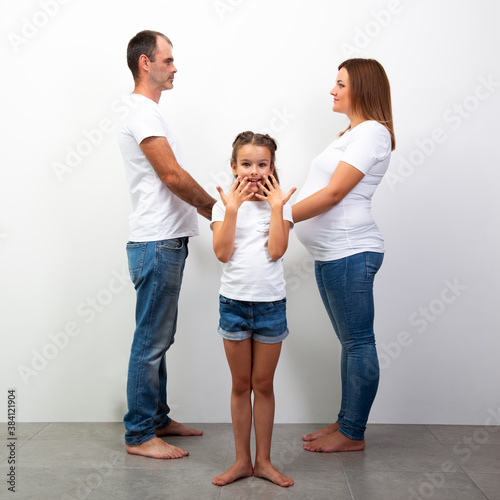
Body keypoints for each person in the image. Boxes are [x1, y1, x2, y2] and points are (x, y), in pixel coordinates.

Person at [118, 30, 216, 459]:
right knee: (150, 341)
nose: (175, 67)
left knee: (161, 336)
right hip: (156, 243)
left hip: (165, 241)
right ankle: (140, 434)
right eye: (168, 59)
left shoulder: (150, 113)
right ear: (146, 63)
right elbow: (172, 176)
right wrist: (217, 210)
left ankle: (157, 418)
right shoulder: (142, 113)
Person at [292, 58, 395, 453]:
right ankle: (345, 422)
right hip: (333, 254)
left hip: (351, 252)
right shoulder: (353, 133)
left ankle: (353, 433)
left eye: (340, 84)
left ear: (363, 89)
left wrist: (280, 218)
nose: (332, 90)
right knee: (350, 344)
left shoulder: (371, 132)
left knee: (358, 343)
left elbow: (335, 193)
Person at [211, 132, 296, 487]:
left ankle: (263, 461)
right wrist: (232, 210)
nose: (255, 171)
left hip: (270, 305)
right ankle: (242, 461)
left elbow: (276, 251)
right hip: (234, 304)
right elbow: (222, 253)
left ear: (272, 167)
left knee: (263, 384)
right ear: (234, 167)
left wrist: (277, 208)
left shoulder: (281, 204)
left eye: (262, 164)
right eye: (246, 164)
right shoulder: (223, 205)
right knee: (240, 384)